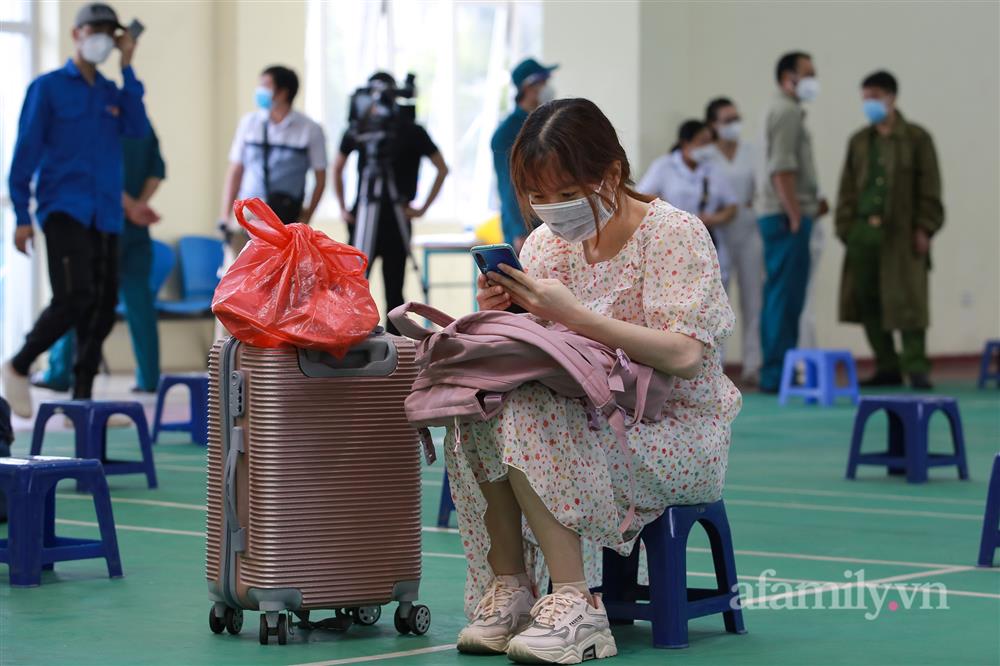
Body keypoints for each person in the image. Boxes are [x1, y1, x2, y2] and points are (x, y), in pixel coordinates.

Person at [450, 98, 740, 663]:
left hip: (672, 428)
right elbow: (538, 356)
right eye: (539, 196)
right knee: (478, 404)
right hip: (586, 410)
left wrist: (577, 316)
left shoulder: (673, 235)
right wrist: (505, 313)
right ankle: (513, 587)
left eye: (565, 193)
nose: (552, 209)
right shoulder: (543, 246)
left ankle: (577, 604)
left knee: (535, 414)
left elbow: (683, 355)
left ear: (610, 173)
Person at [2, 2, 150, 418]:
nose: (102, 37)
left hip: (105, 214)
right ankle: (17, 364)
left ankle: (81, 402)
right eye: (95, 29)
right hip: (63, 208)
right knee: (74, 297)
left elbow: (138, 129)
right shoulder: (47, 88)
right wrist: (22, 217)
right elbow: (25, 154)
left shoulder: (111, 93)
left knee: (101, 309)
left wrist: (128, 67)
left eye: (110, 31)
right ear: (76, 34)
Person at [34, 126, 167, 395]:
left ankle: (60, 372)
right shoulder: (142, 126)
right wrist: (139, 205)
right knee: (140, 304)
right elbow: (157, 171)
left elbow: (99, 176)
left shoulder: (100, 123)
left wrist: (129, 207)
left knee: (78, 297)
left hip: (104, 226)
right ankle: (149, 378)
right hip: (136, 228)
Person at [835, 71, 943, 390]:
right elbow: (847, 189)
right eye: (865, 98)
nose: (869, 104)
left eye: (875, 97)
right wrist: (846, 230)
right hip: (863, 234)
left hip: (903, 234)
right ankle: (887, 365)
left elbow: (930, 187)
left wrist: (925, 227)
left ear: (892, 97)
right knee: (869, 301)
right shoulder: (859, 141)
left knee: (908, 300)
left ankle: (916, 366)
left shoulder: (917, 139)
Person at [333, 72, 449, 334]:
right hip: (370, 215)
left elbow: (442, 169)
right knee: (361, 286)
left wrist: (423, 208)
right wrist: (342, 208)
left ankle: (388, 350)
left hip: (387, 217)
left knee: (380, 288)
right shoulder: (369, 129)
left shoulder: (384, 130)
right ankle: (364, 341)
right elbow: (442, 168)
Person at [756, 51, 829, 394]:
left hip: (785, 212)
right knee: (785, 298)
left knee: (782, 295)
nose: (814, 80)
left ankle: (777, 370)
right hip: (786, 217)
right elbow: (781, 167)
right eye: (808, 73)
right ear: (789, 77)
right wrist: (796, 212)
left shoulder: (787, 110)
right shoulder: (786, 112)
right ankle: (775, 372)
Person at [219, 65, 327, 232]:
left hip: (286, 216)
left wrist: (307, 216)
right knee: (238, 257)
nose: (259, 91)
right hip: (248, 214)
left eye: (265, 86)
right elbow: (235, 170)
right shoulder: (249, 123)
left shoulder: (309, 129)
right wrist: (225, 215)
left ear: (283, 92)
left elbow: (320, 178)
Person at [704, 98, 764, 384]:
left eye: (736, 118)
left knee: (754, 299)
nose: (734, 124)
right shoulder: (705, 155)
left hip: (748, 230)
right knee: (718, 300)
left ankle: (753, 365)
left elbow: (761, 187)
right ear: (714, 125)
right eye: (727, 120)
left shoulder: (752, 152)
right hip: (716, 234)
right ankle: (718, 366)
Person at [637, 119, 738, 286]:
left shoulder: (714, 168)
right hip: (673, 241)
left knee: (711, 291)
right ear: (685, 143)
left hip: (708, 239)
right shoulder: (664, 166)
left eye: (710, 143)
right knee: (678, 289)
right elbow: (641, 198)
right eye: (703, 142)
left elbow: (732, 205)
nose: (708, 148)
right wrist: (668, 215)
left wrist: (715, 218)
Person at [491, 58, 558, 251]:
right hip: (524, 230)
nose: (548, 87)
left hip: (547, 223)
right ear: (530, 87)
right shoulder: (507, 133)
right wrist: (519, 231)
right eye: (544, 82)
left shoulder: (544, 124)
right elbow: (509, 185)